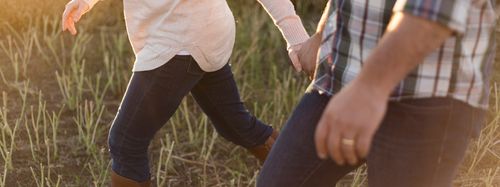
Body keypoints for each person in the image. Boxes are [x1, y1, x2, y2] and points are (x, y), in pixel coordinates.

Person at [61, 0, 311, 186]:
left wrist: (297, 40)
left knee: (125, 142)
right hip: (201, 32)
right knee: (236, 126)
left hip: (180, 40)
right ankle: (306, 178)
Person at [258, 0, 496, 186]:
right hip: (343, 74)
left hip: (425, 92)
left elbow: (434, 9)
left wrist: (369, 89)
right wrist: (323, 31)